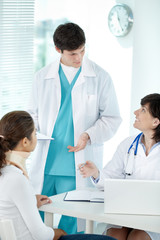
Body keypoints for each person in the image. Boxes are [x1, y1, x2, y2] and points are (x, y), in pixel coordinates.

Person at [28, 22, 122, 233]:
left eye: (82, 51)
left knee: (72, 221)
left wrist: (89, 134)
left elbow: (112, 118)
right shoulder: (41, 77)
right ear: (58, 50)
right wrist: (32, 134)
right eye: (72, 54)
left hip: (76, 165)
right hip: (47, 160)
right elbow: (31, 115)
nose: (79, 58)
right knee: (35, 218)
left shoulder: (100, 77)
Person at [0, 110, 117, 240]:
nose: (37, 137)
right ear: (25, 142)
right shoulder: (17, 179)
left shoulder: (5, 171)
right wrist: (60, 232)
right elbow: (41, 235)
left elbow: (10, 207)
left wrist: (31, 201)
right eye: (35, 133)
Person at [79, 93, 160, 240]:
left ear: (155, 122)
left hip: (154, 217)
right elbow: (110, 177)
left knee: (137, 237)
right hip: (124, 212)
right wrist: (96, 173)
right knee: (115, 237)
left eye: (143, 110)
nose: (135, 112)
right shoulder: (128, 144)